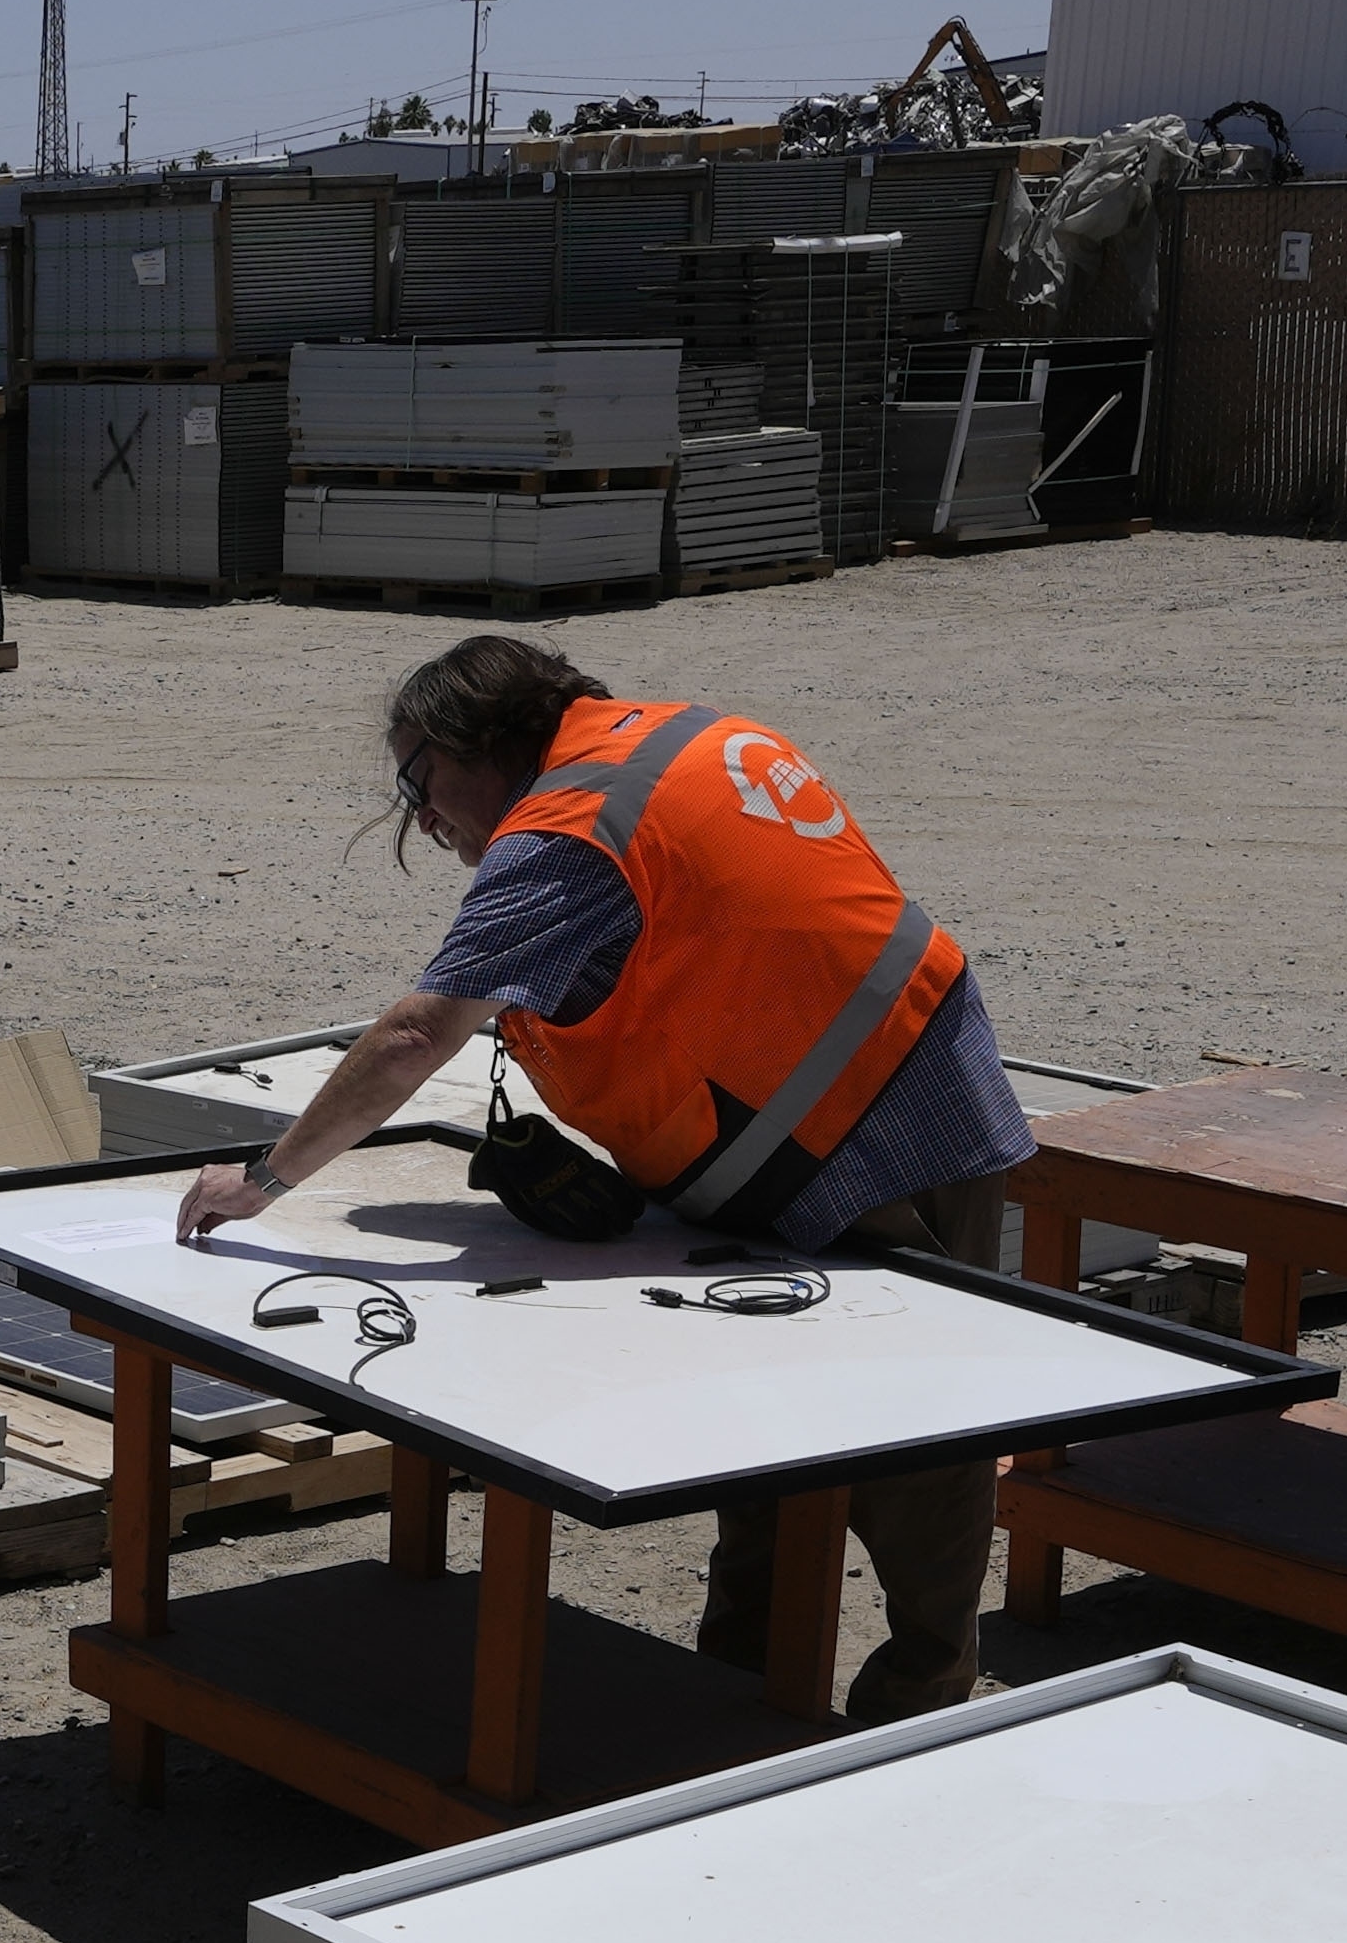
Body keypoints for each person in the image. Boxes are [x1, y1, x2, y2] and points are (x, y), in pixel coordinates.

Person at [170, 633, 1040, 1718]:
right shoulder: (681, 740)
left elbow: (413, 1036)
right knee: (777, 1428)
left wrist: (266, 1180)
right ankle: (737, 1700)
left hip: (878, 1125)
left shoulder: (569, 831)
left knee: (917, 1444)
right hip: (895, 1079)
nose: (422, 815)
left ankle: (915, 1714)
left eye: (417, 779)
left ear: (479, 744)